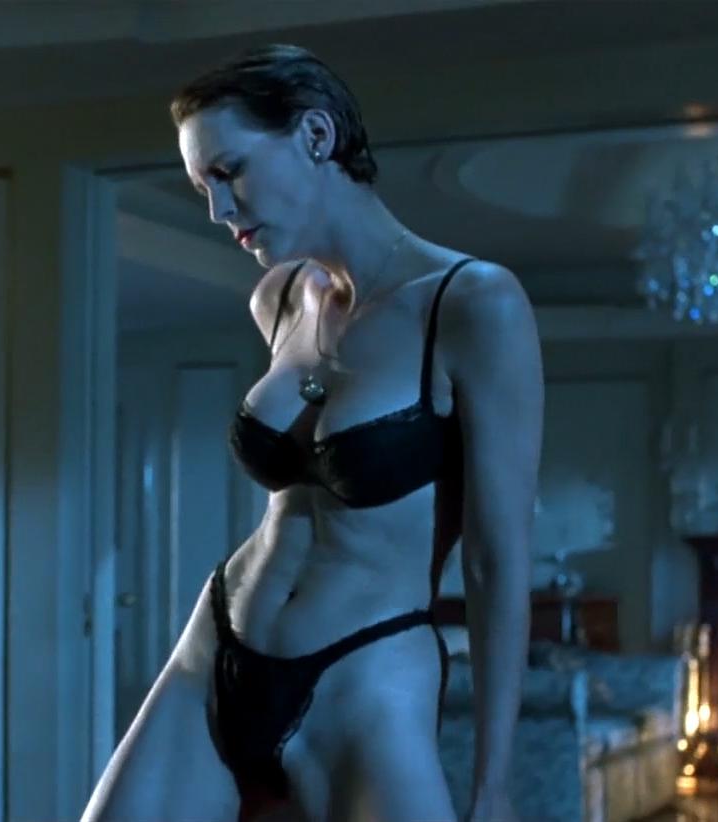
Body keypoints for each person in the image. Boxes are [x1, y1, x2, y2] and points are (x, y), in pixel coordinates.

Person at [81, 44, 541, 822]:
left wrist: (494, 785)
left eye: (228, 172)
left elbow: (496, 562)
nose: (218, 210)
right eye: (202, 187)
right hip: (217, 648)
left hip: (365, 673)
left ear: (316, 136)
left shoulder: (471, 305)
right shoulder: (280, 298)